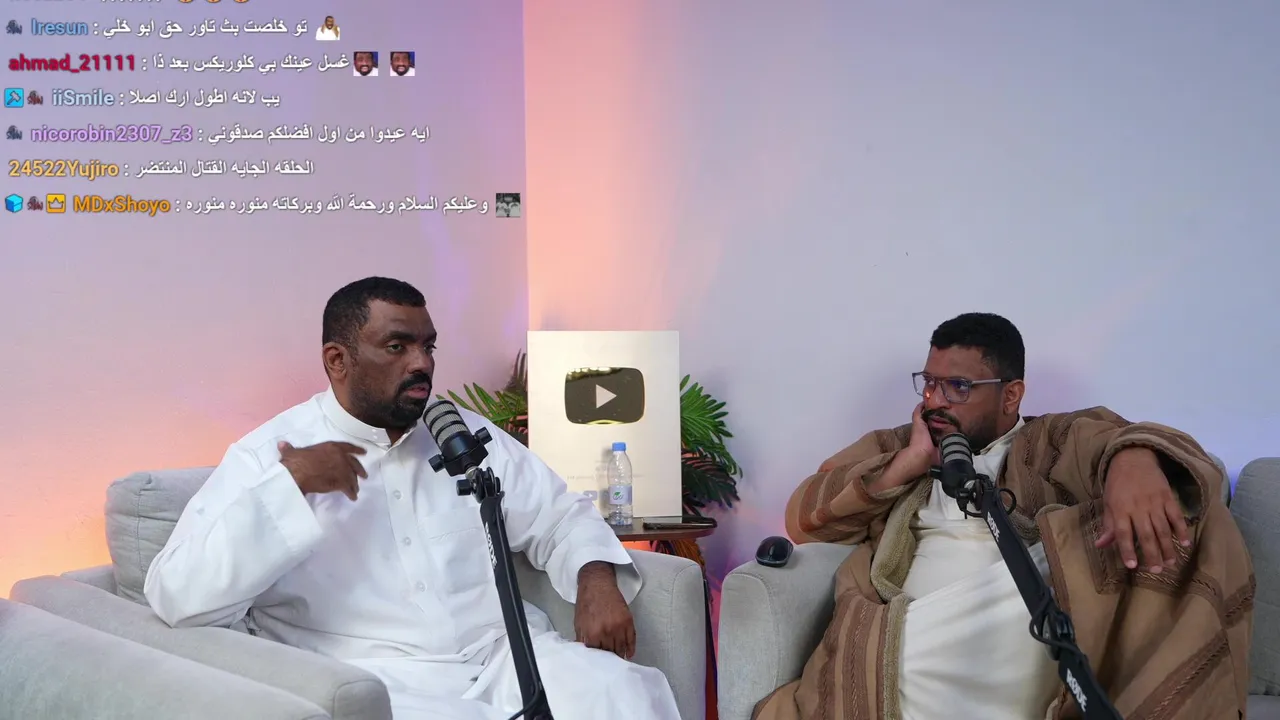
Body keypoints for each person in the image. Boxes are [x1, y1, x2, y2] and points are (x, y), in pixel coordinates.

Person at [145, 277, 681, 720]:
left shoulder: (458, 433)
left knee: (618, 693)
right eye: (397, 347)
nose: (422, 363)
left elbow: (559, 514)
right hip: (374, 678)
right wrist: (293, 483)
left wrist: (595, 579)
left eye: (428, 346)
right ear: (338, 360)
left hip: (502, 657)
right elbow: (176, 594)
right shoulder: (269, 454)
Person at [754, 313, 1253, 720]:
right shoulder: (896, 445)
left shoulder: (1054, 438)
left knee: (1189, 515)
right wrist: (908, 463)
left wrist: (1135, 461)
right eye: (929, 383)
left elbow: (1147, 448)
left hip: (1032, 623)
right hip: (911, 633)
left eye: (957, 386)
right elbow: (804, 516)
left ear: (1011, 394)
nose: (935, 401)